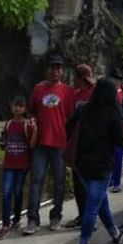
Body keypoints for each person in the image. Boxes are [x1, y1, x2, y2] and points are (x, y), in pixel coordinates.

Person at [69, 78, 123, 244]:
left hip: (82, 165)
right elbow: (120, 141)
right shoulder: (112, 112)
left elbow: (68, 126)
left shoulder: (84, 109)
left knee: (100, 201)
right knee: (93, 206)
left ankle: (115, 233)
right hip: (101, 166)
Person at [24, 54, 75, 234]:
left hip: (60, 143)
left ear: (62, 70)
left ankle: (55, 216)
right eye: (53, 67)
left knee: (60, 183)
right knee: (36, 180)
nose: (56, 71)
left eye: (59, 67)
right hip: (40, 143)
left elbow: (71, 118)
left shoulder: (68, 92)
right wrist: (32, 122)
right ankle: (32, 219)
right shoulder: (38, 89)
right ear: (47, 69)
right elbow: (30, 110)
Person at [0, 96, 35, 240]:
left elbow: (31, 145)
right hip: (9, 164)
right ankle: (5, 224)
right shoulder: (8, 124)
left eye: (20, 106)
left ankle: (16, 219)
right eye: (14, 105)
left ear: (25, 109)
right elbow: (4, 140)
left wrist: (35, 130)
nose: (17, 108)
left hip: (22, 164)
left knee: (18, 192)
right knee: (6, 192)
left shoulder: (27, 125)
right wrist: (2, 144)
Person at [64, 63, 97, 229]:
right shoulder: (75, 95)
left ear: (80, 78)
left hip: (91, 145)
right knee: (78, 182)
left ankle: (91, 217)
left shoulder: (95, 93)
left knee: (90, 183)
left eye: (75, 77)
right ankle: (82, 214)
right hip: (76, 144)